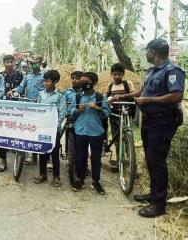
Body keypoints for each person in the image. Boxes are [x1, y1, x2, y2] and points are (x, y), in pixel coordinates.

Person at [111, 39, 185, 218]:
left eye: (147, 51)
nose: (145, 54)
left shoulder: (172, 71)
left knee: (157, 162)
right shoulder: (152, 72)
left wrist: (148, 101)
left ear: (152, 53)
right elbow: (142, 93)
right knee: (151, 160)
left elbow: (176, 95)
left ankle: (158, 204)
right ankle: (154, 194)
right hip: (150, 122)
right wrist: (121, 97)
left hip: (163, 122)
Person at [70, 72, 110, 195]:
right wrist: (77, 110)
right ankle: (80, 180)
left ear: (94, 83)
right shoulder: (77, 97)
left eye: (86, 82)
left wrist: (97, 108)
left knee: (96, 157)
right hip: (80, 131)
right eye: (82, 81)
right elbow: (70, 111)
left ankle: (96, 181)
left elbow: (106, 113)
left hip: (96, 132)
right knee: (80, 156)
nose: (83, 83)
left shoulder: (99, 97)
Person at [7, 54, 45, 165]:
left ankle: (40, 156)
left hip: (40, 107)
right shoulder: (27, 76)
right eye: (31, 63)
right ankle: (29, 154)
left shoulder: (45, 76)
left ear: (40, 63)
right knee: (28, 130)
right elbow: (20, 88)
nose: (33, 65)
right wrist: (14, 91)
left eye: (35, 63)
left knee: (39, 131)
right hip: (28, 107)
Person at [33, 70, 66, 187]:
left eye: (48, 81)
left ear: (55, 82)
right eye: (44, 81)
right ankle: (42, 174)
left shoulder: (60, 95)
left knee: (54, 152)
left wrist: (56, 126)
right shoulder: (41, 94)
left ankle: (56, 177)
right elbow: (38, 109)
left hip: (53, 130)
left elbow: (62, 112)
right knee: (42, 151)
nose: (45, 83)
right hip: (42, 128)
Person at [0, 54, 24, 172]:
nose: (9, 64)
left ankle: (15, 147)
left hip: (17, 106)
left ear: (14, 62)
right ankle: (3, 160)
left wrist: (16, 93)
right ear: (4, 63)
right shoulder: (0, 76)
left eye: (11, 62)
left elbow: (22, 88)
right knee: (1, 130)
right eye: (7, 62)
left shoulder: (20, 75)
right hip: (3, 107)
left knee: (16, 128)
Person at [106, 63, 135, 171]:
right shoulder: (110, 85)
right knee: (117, 139)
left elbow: (133, 95)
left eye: (119, 74)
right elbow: (108, 97)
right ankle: (119, 161)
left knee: (128, 138)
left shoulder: (128, 84)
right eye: (114, 74)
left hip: (126, 113)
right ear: (111, 74)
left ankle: (132, 164)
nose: (117, 76)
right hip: (114, 115)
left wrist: (122, 97)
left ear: (123, 74)